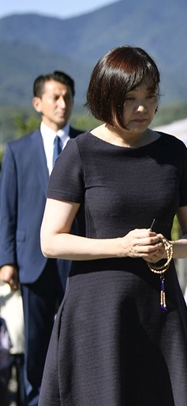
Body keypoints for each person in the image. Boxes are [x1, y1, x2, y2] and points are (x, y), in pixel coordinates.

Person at [38, 46, 187, 405]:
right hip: (96, 310)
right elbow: (51, 241)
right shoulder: (80, 152)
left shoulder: (174, 153)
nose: (143, 108)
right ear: (106, 97)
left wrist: (170, 249)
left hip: (160, 308)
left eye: (150, 97)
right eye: (131, 99)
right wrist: (122, 246)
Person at [0, 70, 81, 406]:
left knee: (77, 338)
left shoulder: (84, 144)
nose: (62, 104)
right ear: (38, 103)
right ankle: (36, 400)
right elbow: (7, 208)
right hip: (32, 262)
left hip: (78, 259)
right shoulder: (17, 151)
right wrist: (6, 260)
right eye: (55, 97)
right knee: (36, 347)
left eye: (67, 97)